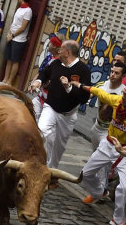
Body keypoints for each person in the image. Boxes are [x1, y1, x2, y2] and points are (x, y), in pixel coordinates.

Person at [77, 76, 126, 225]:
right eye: (124, 93)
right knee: (85, 173)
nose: (124, 96)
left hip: (124, 151)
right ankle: (98, 192)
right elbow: (100, 93)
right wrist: (80, 85)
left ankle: (118, 220)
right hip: (108, 144)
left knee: (124, 187)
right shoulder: (117, 101)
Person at [27, 39, 91, 168]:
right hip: (50, 107)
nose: (58, 50)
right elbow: (45, 73)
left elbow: (84, 98)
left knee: (59, 146)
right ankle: (33, 163)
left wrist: (68, 87)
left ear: (67, 52)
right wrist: (38, 82)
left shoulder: (83, 70)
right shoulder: (56, 63)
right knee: (41, 131)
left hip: (68, 115)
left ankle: (52, 170)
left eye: (61, 49)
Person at [0, 0, 32, 86]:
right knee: (8, 58)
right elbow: (13, 22)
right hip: (11, 37)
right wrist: (9, 32)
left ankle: (10, 81)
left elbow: (23, 27)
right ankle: (5, 79)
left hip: (19, 39)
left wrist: (13, 35)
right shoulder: (19, 9)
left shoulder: (28, 10)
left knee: (15, 60)